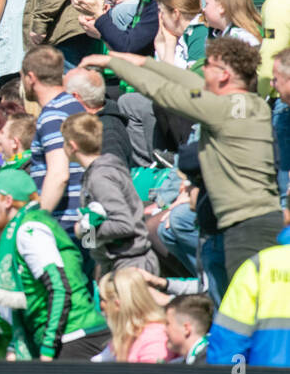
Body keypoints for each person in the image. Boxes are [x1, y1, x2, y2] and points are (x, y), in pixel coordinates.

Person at [84, 39, 283, 285]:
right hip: (256, 219)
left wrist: (113, 63)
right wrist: (143, 62)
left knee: (248, 306)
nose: (202, 69)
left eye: (208, 64)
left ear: (224, 75)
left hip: (245, 227)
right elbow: (193, 83)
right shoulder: (251, 104)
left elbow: (163, 92)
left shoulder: (222, 109)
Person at [0, 167, 109, 359]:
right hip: (66, 337)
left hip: (73, 337)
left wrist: (48, 348)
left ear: (7, 201)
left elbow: (59, 288)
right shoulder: (28, 224)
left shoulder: (29, 230)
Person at [63, 111, 157, 275]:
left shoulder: (101, 177)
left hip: (131, 266)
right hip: (112, 263)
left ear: (72, 146)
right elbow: (93, 221)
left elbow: (124, 224)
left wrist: (82, 229)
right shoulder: (94, 173)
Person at [23, 44, 84, 232]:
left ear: (31, 78)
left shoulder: (52, 116)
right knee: (90, 257)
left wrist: (37, 222)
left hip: (64, 226)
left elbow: (59, 175)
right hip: (86, 222)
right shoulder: (76, 107)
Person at [100, 266, 169, 362]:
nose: (101, 305)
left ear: (117, 305)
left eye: (103, 299)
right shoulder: (125, 334)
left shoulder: (154, 337)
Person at [163, 294, 211, 365]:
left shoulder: (209, 363)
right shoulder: (193, 361)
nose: (164, 330)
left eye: (167, 323)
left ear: (186, 329)